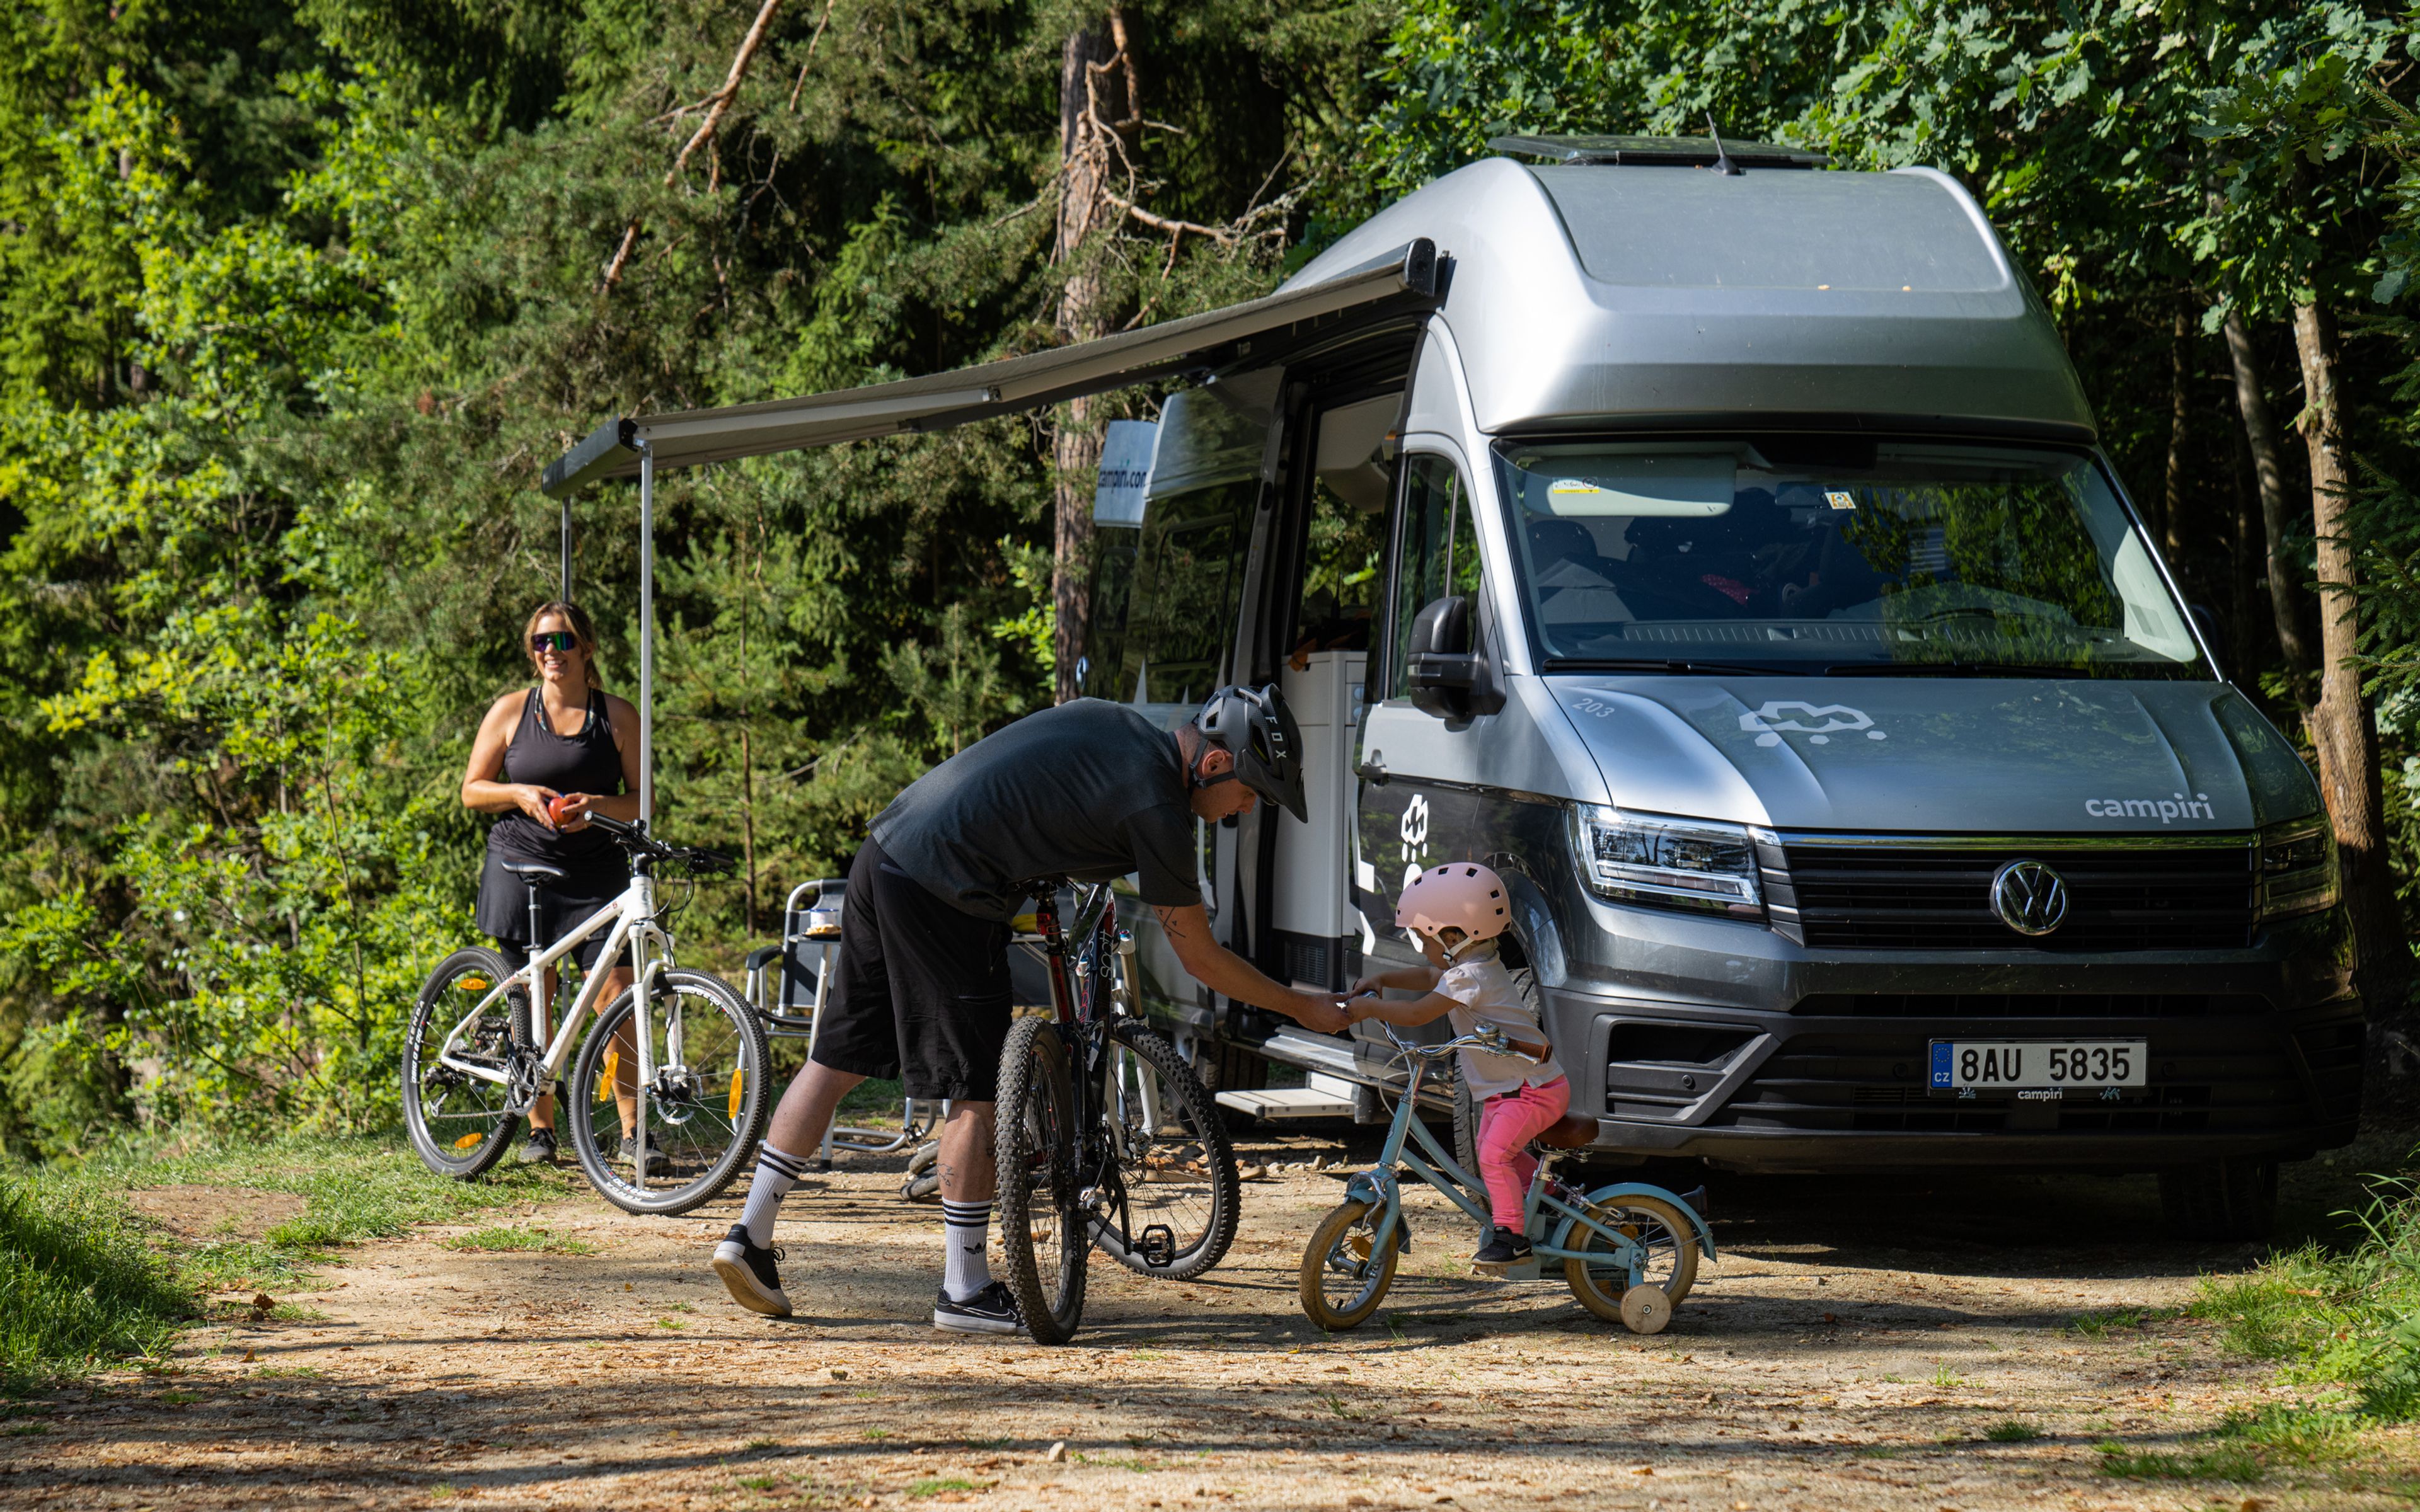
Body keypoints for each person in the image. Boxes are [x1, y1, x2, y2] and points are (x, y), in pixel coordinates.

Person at [710, 685, 1354, 1334]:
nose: (1242, 811)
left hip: (887, 853)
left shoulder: (1116, 723)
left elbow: (1030, 793)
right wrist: (1301, 1006)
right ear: (1215, 765)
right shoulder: (1157, 803)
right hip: (946, 889)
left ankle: (750, 1235)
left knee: (834, 1059)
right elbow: (1201, 960)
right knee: (979, 1090)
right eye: (1249, 795)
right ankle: (964, 1291)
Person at [458, 602, 645, 1167]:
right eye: (540, 643)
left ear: (586, 648)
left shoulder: (616, 716)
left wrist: (600, 806)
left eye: (562, 642)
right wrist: (518, 793)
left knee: (617, 996)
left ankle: (636, 1131)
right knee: (534, 995)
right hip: (523, 864)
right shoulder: (513, 711)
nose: (550, 653)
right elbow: (472, 789)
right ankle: (541, 1130)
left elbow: (645, 800)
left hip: (597, 870)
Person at [1344, 861, 1569, 1268]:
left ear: (1452, 935)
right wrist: (1386, 978)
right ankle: (1557, 1200)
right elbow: (1431, 975)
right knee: (1495, 1151)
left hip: (1532, 1089)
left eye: (1421, 938)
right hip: (1517, 1088)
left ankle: (1512, 1237)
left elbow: (1418, 1015)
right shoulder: (1473, 967)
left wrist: (1368, 1008)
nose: (1423, 948)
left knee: (1494, 1157)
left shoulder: (1471, 977)